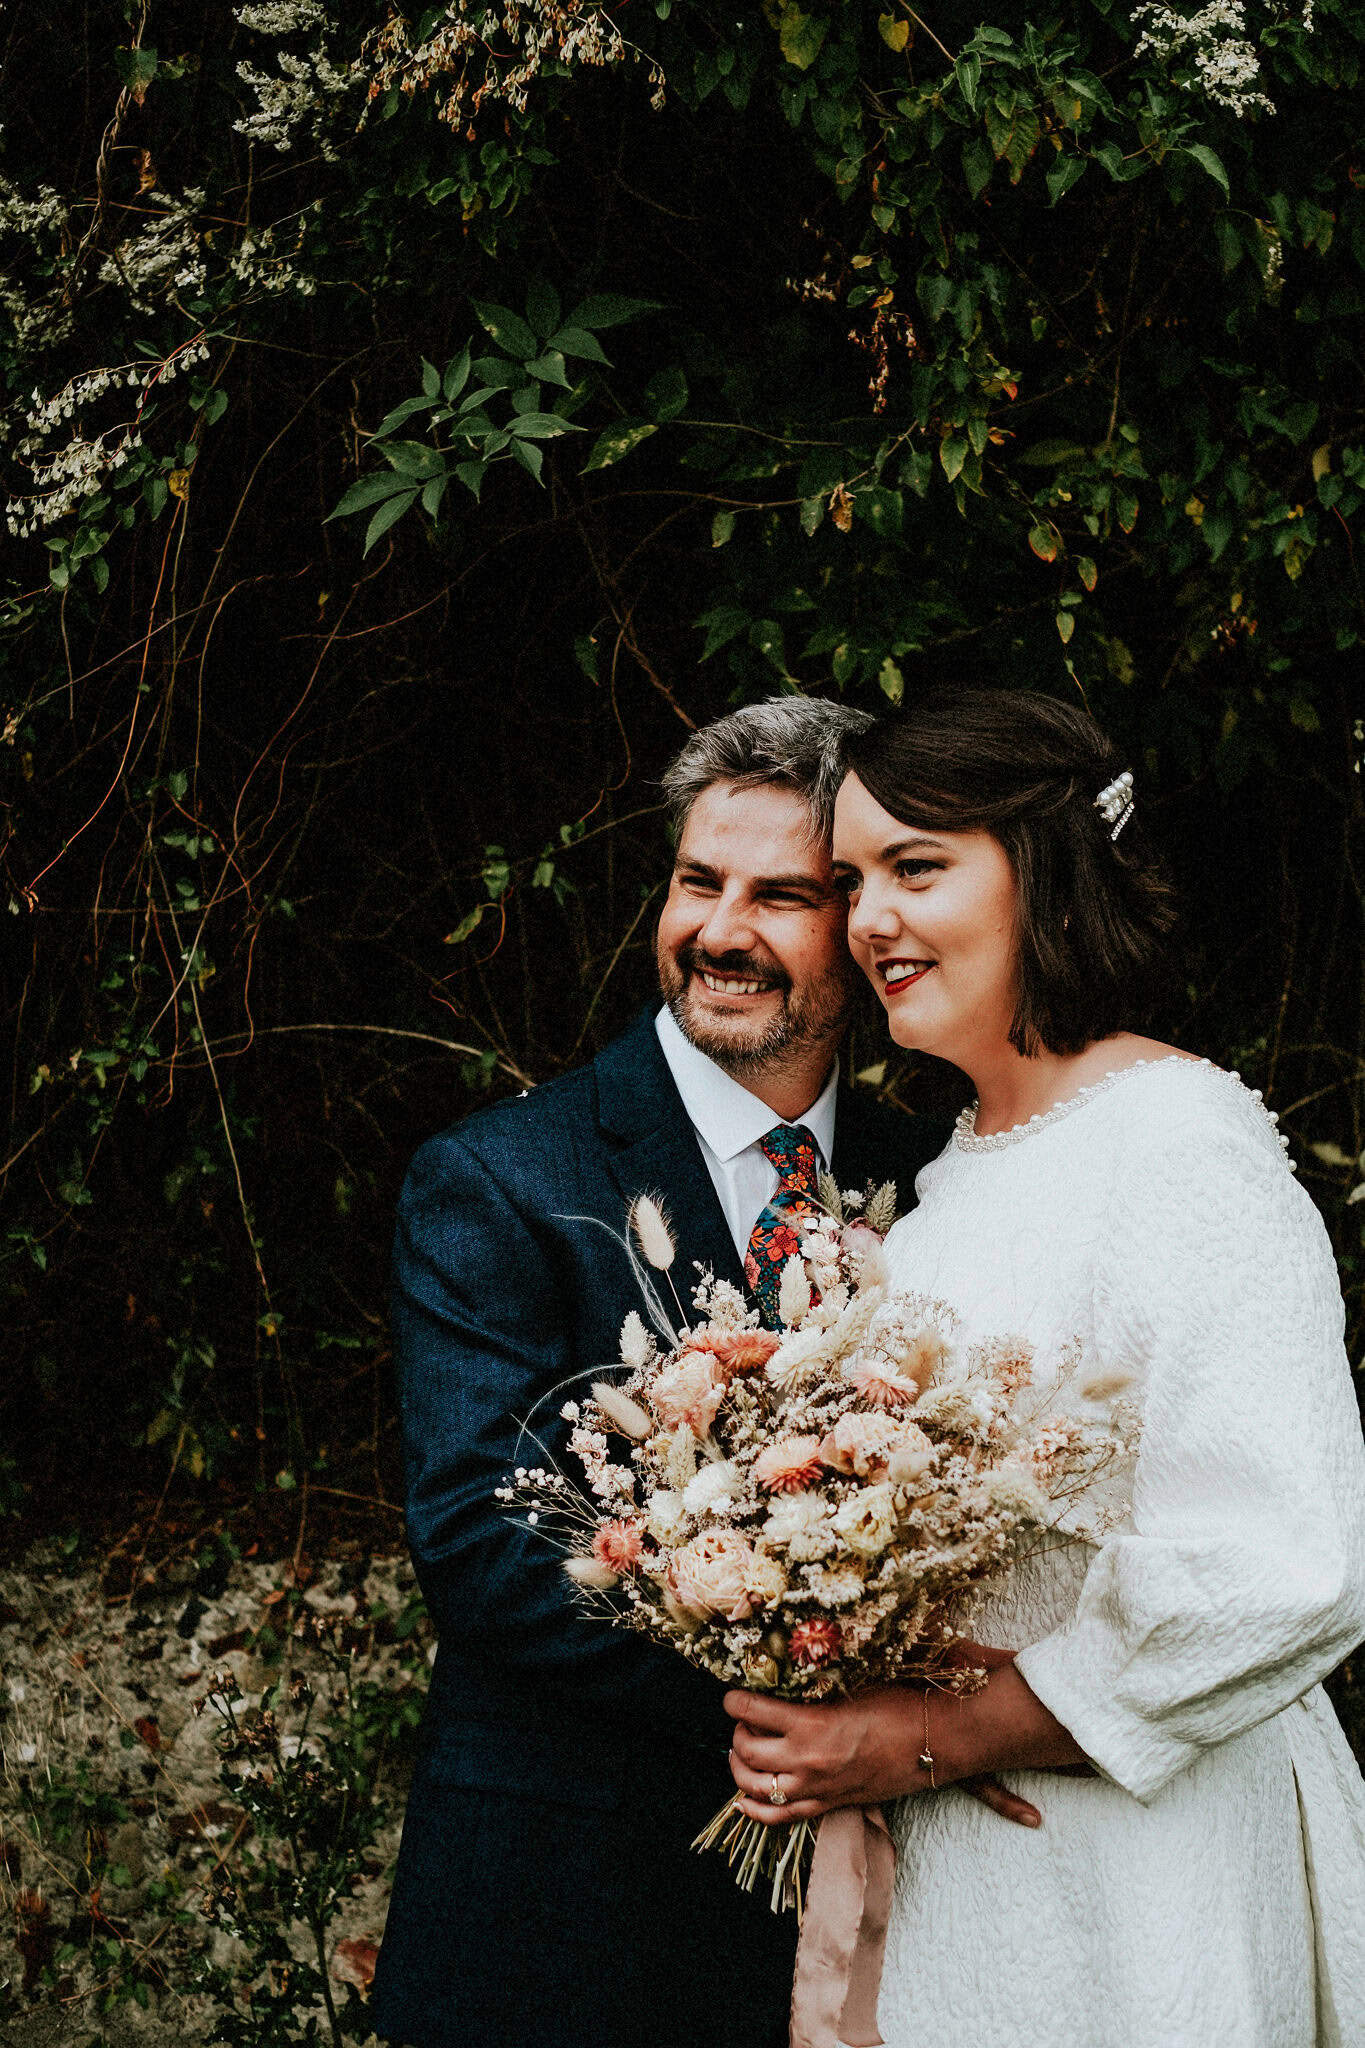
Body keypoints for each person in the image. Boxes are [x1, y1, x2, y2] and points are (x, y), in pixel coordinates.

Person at [724, 687, 1365, 2046]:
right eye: (851, 882)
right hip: (971, 1881)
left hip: (1137, 1869)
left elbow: (1283, 1563)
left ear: (1047, 867)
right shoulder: (954, 1177)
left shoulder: (1178, 1148)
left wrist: (941, 1731)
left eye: (915, 867)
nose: (869, 920)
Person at [369, 699, 960, 2048]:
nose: (719, 931)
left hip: (885, 1933)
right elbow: (481, 1542)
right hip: (567, 1925)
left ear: (867, 925)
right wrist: (816, 1690)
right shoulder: (501, 1180)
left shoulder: (938, 1180)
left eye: (781, 896)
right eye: (699, 883)